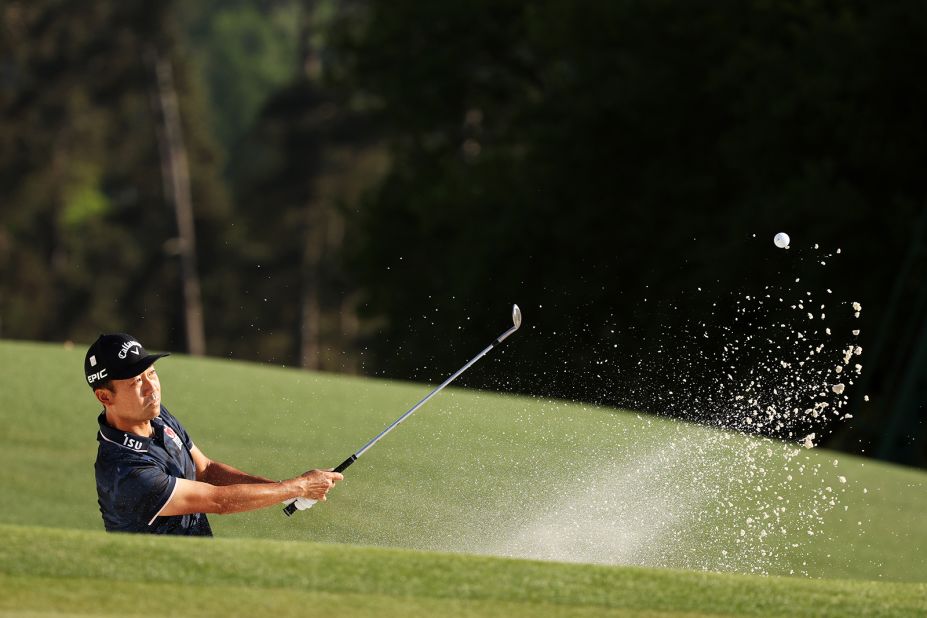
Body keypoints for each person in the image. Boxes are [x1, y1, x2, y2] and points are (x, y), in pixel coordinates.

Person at [86, 333, 341, 535]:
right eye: (135, 382)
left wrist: (286, 492)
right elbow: (218, 501)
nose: (151, 387)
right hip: (156, 585)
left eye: (151, 373)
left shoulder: (156, 415)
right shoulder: (123, 470)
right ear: (105, 396)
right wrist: (297, 486)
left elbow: (205, 470)